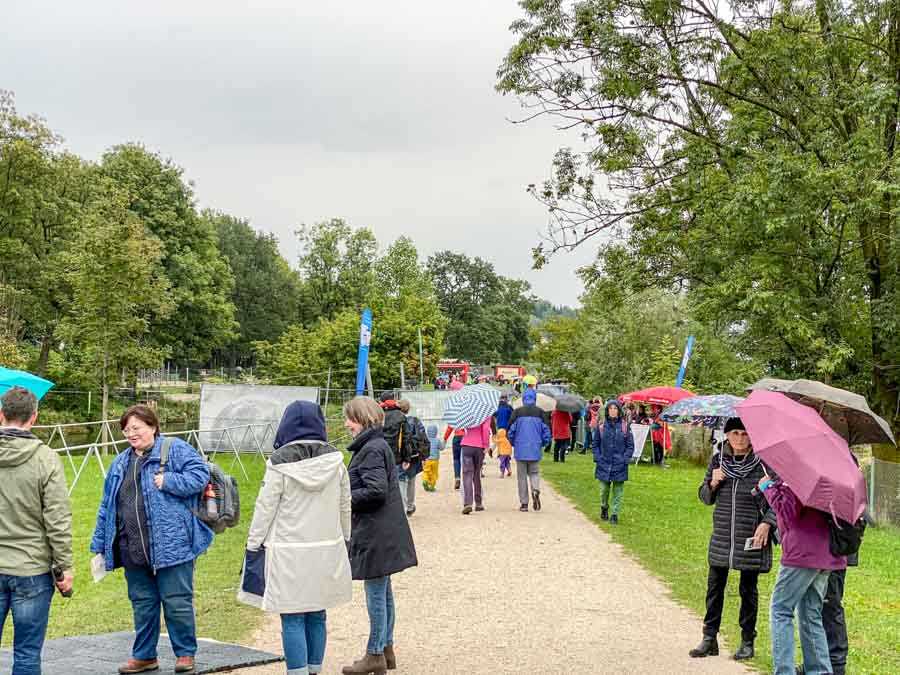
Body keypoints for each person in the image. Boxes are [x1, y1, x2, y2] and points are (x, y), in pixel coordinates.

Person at [91, 404, 213, 675]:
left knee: (177, 601)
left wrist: (168, 481)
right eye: (126, 429)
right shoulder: (120, 462)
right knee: (143, 604)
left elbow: (200, 476)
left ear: (153, 426)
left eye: (136, 428)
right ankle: (145, 656)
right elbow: (106, 506)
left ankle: (185, 654)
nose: (130, 433)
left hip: (173, 544)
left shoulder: (175, 449)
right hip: (132, 547)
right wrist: (99, 544)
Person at [239, 401, 351, 675]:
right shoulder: (336, 461)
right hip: (326, 546)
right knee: (317, 613)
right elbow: (345, 505)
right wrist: (345, 539)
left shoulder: (277, 465)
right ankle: (315, 669)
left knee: (292, 616)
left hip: (288, 550)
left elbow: (265, 509)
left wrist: (253, 544)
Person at [689, 417, 776, 661]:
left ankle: (747, 641)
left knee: (748, 589)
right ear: (727, 435)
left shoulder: (764, 464)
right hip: (722, 535)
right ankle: (709, 638)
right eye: (735, 433)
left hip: (750, 534)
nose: (740, 438)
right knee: (714, 587)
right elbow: (705, 498)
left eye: (745, 433)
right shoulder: (718, 461)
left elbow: (778, 501)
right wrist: (713, 482)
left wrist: (767, 524)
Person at [0, 386, 73, 675]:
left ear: (1, 414)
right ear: (34, 418)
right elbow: (57, 519)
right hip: (31, 568)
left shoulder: (45, 457)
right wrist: (65, 566)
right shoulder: (46, 458)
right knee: (27, 654)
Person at [342, 397, 417, 675]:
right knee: (383, 592)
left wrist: (344, 498)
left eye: (349, 418)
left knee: (376, 592)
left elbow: (375, 491)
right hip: (384, 530)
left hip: (376, 531)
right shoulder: (375, 445)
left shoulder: (371, 449)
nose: (346, 424)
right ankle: (386, 648)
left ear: (362, 419)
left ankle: (375, 653)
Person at [759, 474, 847, 675]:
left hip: (802, 553)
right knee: (810, 613)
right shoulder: (829, 472)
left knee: (781, 610)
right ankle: (819, 671)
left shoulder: (801, 472)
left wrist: (768, 487)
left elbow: (788, 510)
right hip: (825, 553)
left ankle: (784, 671)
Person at [508, 389, 551, 512]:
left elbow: (510, 431)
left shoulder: (517, 412)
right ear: (534, 398)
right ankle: (535, 489)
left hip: (520, 448)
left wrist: (513, 443)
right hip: (535, 448)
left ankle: (524, 504)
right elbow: (546, 431)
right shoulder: (541, 413)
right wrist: (543, 443)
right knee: (534, 473)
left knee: (521, 477)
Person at [592, 400, 634, 525]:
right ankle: (604, 506)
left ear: (619, 411)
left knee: (618, 491)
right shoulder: (601, 426)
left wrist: (625, 458)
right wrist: (598, 457)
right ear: (607, 411)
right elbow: (595, 444)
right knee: (604, 489)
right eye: (610, 408)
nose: (613, 411)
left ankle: (615, 514)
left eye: (615, 408)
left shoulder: (625, 426)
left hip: (619, 464)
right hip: (604, 463)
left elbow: (630, 446)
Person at [396, 400, 426, 516]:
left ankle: (403, 507)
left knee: (401, 480)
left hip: (400, 455)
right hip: (414, 455)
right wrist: (424, 455)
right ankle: (410, 505)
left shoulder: (397, 421)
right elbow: (423, 437)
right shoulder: (415, 420)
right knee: (411, 480)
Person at [460, 415, 492, 514]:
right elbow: (486, 429)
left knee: (467, 475)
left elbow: (461, 427)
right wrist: (486, 445)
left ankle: (468, 503)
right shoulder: (486, 413)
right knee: (476, 475)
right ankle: (478, 503)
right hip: (479, 447)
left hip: (466, 445)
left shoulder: (467, 412)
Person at [421, 425, 443, 492]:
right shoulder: (437, 440)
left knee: (426, 471)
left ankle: (425, 480)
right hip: (435, 460)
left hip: (426, 459)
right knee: (434, 473)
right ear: (436, 432)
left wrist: (422, 458)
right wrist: (444, 442)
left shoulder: (425, 440)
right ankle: (431, 486)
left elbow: (422, 449)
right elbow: (441, 448)